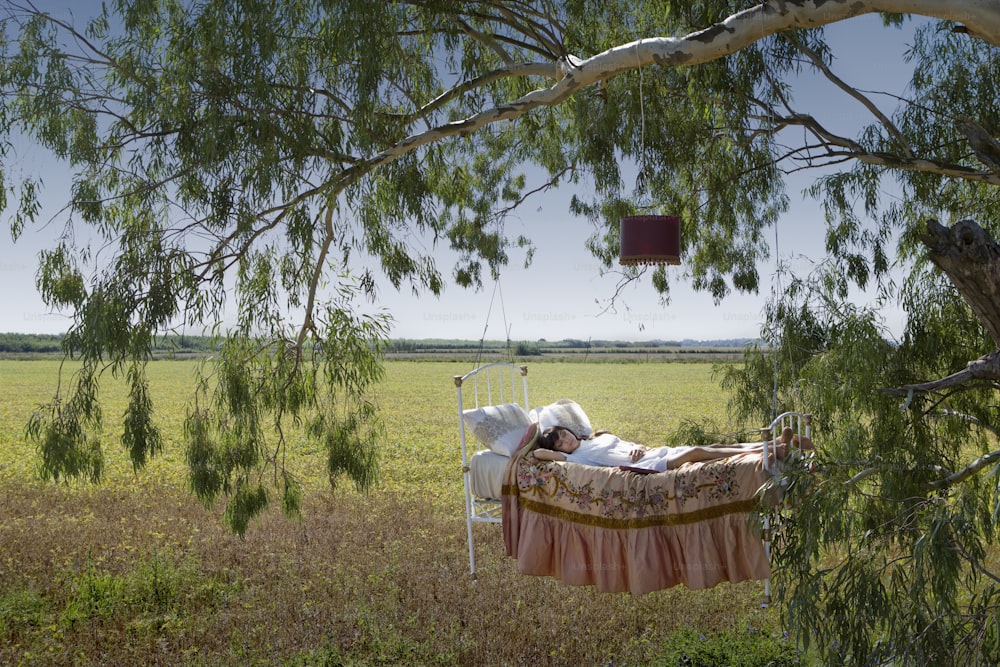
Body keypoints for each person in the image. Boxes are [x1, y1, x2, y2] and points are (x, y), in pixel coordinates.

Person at [532, 425, 812, 473]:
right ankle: (764, 452)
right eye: (558, 442)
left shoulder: (595, 438)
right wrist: (548, 445)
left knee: (712, 446)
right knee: (697, 453)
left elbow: (630, 445)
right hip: (646, 469)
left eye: (562, 434)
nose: (564, 440)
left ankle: (774, 443)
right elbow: (536, 454)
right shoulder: (575, 458)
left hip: (651, 453)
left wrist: (639, 448)